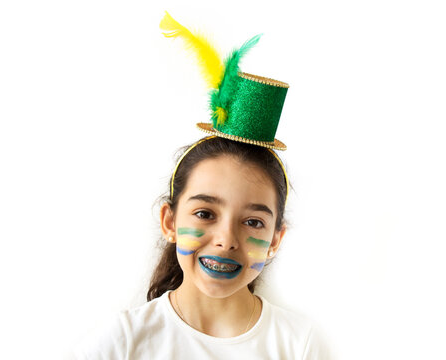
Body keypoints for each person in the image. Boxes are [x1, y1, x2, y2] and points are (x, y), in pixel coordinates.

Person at [72, 12, 332, 360]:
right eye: (205, 213)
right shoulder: (123, 342)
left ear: (275, 239)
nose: (226, 239)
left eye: (253, 221)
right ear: (169, 221)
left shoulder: (299, 344)